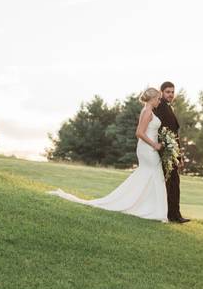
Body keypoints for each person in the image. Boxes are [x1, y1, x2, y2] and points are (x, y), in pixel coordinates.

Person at [49, 87, 170, 221]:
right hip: (149, 149)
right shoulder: (147, 112)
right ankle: (153, 210)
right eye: (158, 99)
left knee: (148, 175)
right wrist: (154, 144)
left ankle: (149, 208)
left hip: (146, 148)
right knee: (154, 175)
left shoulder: (147, 111)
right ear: (153, 99)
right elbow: (139, 133)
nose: (159, 101)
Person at [154, 81, 190, 223]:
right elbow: (165, 132)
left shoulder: (168, 107)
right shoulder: (161, 107)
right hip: (166, 152)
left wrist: (179, 155)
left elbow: (174, 134)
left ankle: (175, 214)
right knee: (171, 183)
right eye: (168, 92)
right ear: (161, 92)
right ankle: (172, 214)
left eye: (172, 92)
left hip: (172, 151)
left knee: (174, 182)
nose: (170, 94)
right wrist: (172, 153)